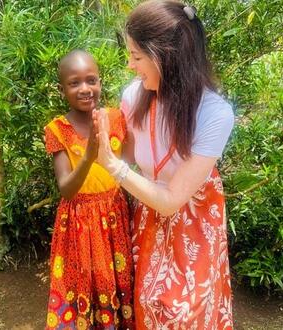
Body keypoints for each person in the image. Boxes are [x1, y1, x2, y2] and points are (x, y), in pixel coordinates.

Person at [93, 1, 235, 329]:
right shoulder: (133, 97)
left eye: (137, 57)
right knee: (145, 302)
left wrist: (113, 166)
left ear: (168, 56)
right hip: (147, 215)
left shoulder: (214, 114)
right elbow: (128, 159)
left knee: (187, 311)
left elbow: (171, 200)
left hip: (195, 219)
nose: (130, 65)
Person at [43, 49, 134, 329]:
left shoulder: (116, 119)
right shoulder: (58, 129)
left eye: (91, 80)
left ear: (100, 82)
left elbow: (128, 167)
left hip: (114, 216)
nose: (85, 89)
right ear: (62, 89)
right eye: (74, 83)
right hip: (78, 223)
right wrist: (89, 154)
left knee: (114, 280)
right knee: (82, 280)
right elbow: (66, 189)